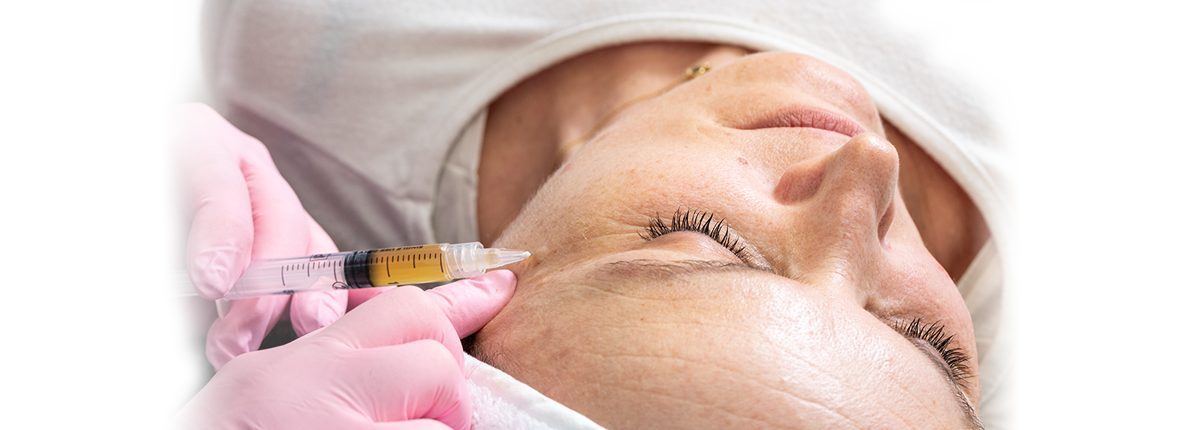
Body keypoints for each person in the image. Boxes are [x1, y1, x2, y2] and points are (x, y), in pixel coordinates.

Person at [166, 1, 1018, 429]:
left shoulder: (324, 57)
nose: (867, 170)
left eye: (706, 240)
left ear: (474, 303)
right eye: (929, 345)